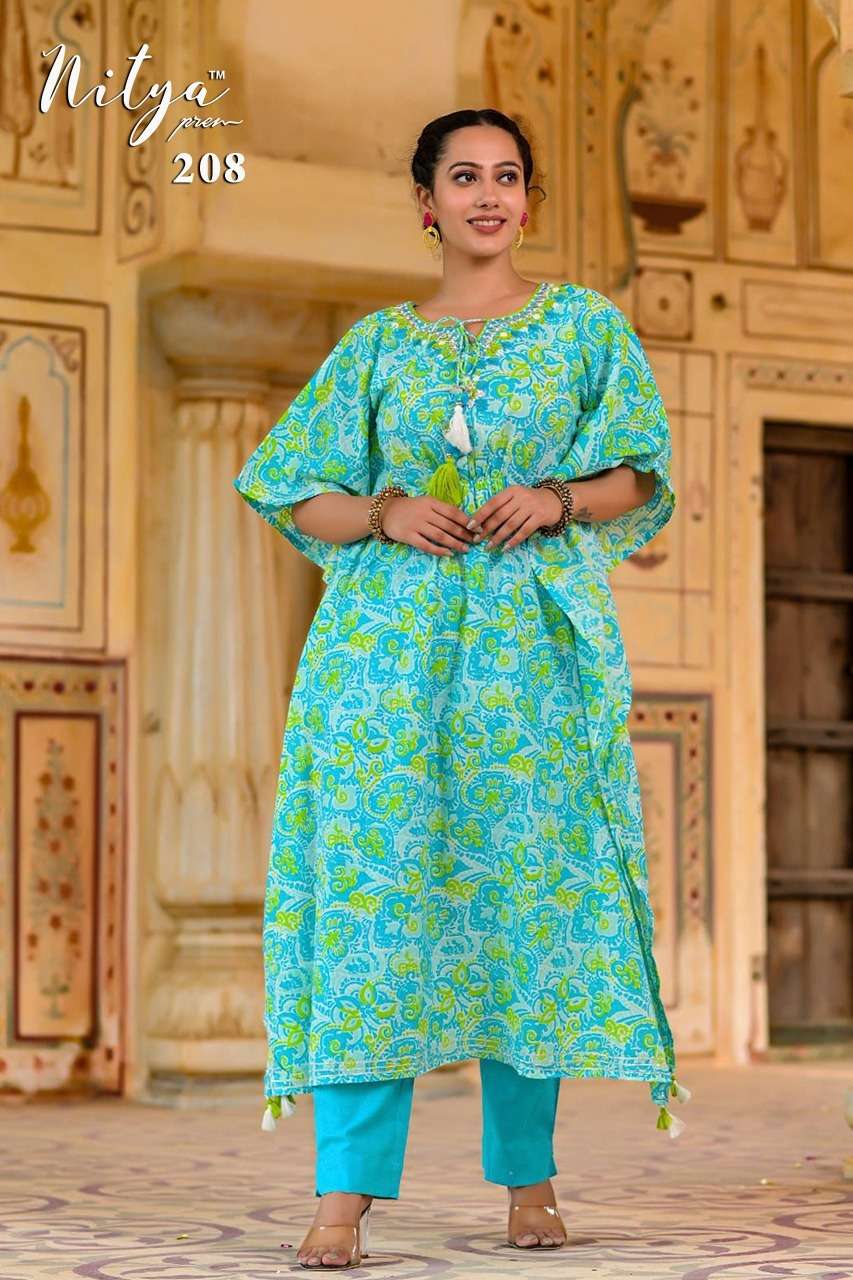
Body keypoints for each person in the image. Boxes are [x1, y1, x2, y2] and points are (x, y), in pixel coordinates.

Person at [233, 107, 691, 1270]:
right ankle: (342, 1197)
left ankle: (528, 1179)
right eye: (464, 177)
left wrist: (556, 498)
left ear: (526, 200)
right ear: (425, 204)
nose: (488, 195)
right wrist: (384, 510)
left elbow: (640, 471)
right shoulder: (377, 347)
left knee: (521, 905)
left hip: (532, 664)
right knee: (374, 912)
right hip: (383, 667)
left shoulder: (583, 328)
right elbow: (289, 485)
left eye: (507, 176)